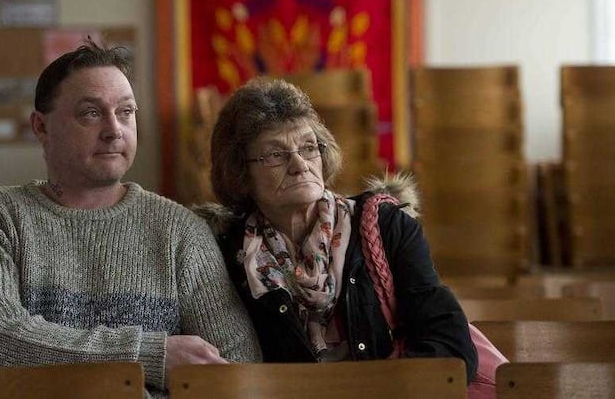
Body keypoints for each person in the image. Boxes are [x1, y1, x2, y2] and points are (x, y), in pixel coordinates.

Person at [0, 37, 261, 398]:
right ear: (41, 127)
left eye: (126, 112)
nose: (114, 129)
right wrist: (148, 356)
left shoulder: (181, 231)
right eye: (91, 113)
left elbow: (237, 368)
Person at [197, 77, 476, 379]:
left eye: (308, 148)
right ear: (240, 172)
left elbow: (452, 347)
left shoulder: (386, 226)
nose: (299, 164)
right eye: (275, 154)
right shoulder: (224, 251)